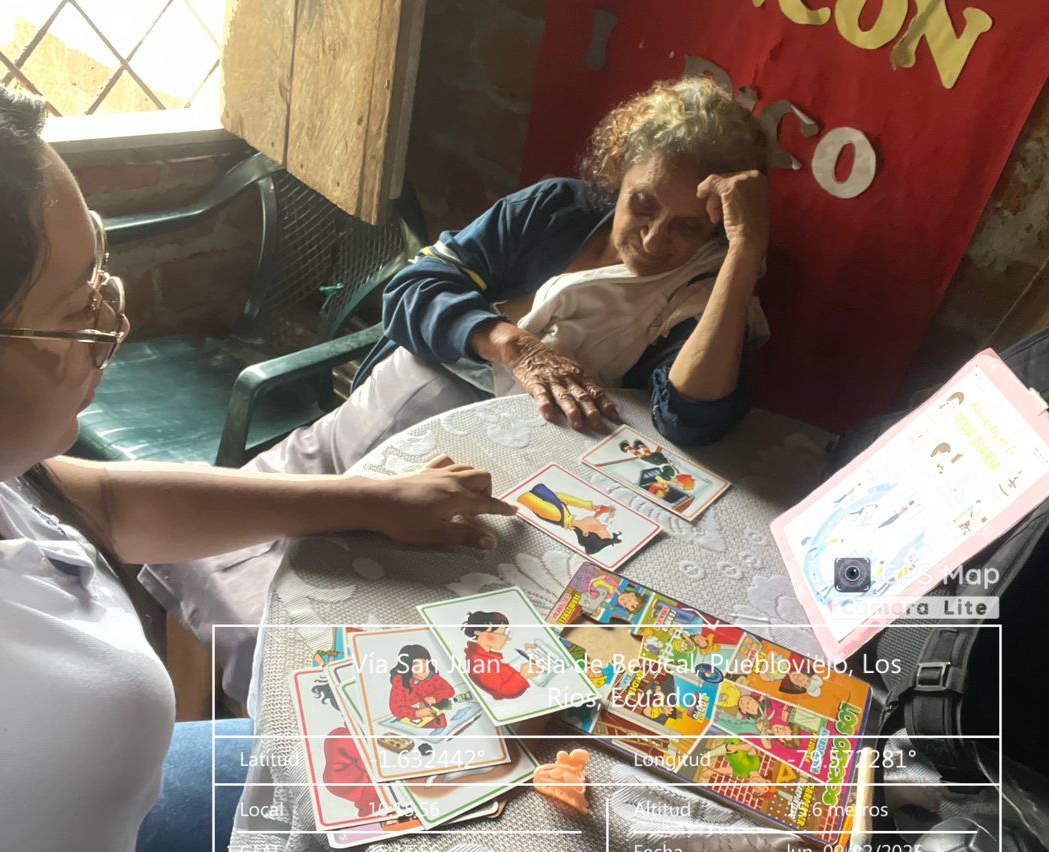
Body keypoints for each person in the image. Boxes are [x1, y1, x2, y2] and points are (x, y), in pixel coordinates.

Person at [0, 32, 512, 852]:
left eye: (99, 274)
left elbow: (99, 504)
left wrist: (369, 497)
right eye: (71, 312)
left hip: (107, 816)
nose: (113, 323)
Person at [139, 75, 772, 691]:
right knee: (196, 546)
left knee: (306, 649)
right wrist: (513, 344)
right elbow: (412, 290)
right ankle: (184, 732)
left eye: (688, 226)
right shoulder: (557, 210)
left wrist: (743, 252)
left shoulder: (699, 290)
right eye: (643, 203)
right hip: (364, 424)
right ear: (619, 173)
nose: (656, 238)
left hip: (465, 484)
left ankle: (250, 736)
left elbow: (689, 418)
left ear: (715, 228)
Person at [387, 644, 456, 728]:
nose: (422, 667)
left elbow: (449, 690)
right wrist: (416, 713)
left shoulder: (431, 676)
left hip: (433, 714)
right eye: (416, 663)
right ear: (407, 666)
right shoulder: (400, 681)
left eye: (423, 662)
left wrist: (432, 698)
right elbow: (396, 709)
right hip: (410, 720)